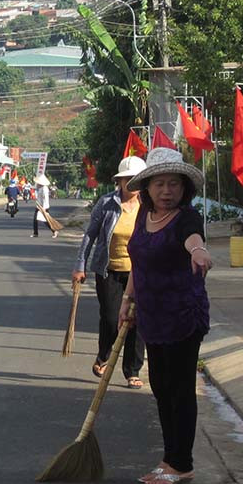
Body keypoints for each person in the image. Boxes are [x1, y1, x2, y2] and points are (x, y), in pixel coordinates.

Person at [119, 148, 213, 484]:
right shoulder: (144, 214)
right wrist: (128, 300)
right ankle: (169, 458)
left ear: (184, 188)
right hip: (151, 314)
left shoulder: (187, 217)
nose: (167, 191)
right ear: (147, 187)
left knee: (180, 389)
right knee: (160, 386)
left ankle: (181, 463)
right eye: (159, 184)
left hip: (182, 315)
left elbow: (194, 240)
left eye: (174, 184)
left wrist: (199, 251)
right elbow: (139, 261)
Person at [72, 156, 147, 389]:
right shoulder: (106, 203)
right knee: (112, 318)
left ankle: (132, 371)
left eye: (137, 180)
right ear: (120, 181)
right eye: (128, 180)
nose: (132, 185)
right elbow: (89, 236)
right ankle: (103, 355)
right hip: (109, 270)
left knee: (138, 322)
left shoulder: (149, 206)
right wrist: (80, 265)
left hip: (140, 272)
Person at [32, 174, 57, 238]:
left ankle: (54, 231)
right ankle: (35, 233)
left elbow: (45, 199)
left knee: (46, 220)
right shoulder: (40, 188)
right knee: (35, 219)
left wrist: (44, 208)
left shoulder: (45, 189)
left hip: (44, 207)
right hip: (39, 206)